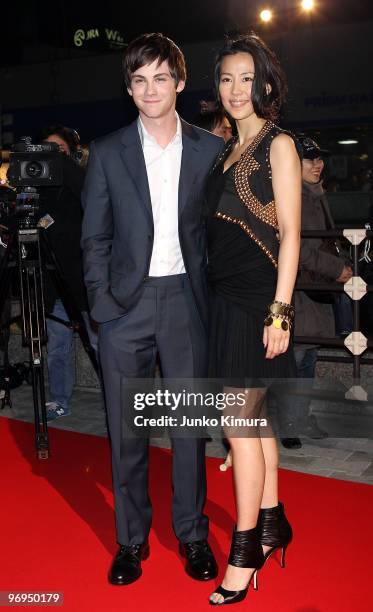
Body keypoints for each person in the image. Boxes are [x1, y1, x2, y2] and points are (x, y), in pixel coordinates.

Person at [81, 33, 224, 586]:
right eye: (139, 80)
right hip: (125, 308)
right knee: (128, 430)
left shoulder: (212, 152)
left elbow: (223, 238)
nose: (150, 89)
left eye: (160, 77)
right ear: (130, 88)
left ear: (180, 83)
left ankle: (192, 535)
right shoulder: (108, 150)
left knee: (189, 429)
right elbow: (94, 237)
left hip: (188, 302)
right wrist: (102, 304)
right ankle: (130, 540)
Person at [205, 33, 301, 605]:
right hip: (222, 300)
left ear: (264, 84)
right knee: (254, 421)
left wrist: (281, 311)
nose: (236, 90)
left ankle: (244, 553)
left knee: (239, 427)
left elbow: (290, 233)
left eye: (247, 78)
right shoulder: (225, 150)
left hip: (259, 303)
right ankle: (272, 521)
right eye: (226, 79)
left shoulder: (278, 145)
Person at [279, 136, 353, 449]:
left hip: (314, 291)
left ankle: (298, 418)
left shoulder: (312, 193)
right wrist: (336, 269)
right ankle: (289, 423)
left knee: (306, 358)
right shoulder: (295, 197)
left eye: (318, 158)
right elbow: (303, 250)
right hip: (301, 290)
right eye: (310, 159)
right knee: (297, 360)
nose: (317, 164)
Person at [37, 125, 98, 421]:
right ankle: (60, 399)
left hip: (85, 282)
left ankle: (114, 400)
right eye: (45, 149)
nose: (52, 156)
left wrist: (61, 163)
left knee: (100, 345)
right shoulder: (40, 190)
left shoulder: (81, 180)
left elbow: (88, 192)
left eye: (57, 149)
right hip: (53, 282)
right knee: (58, 347)